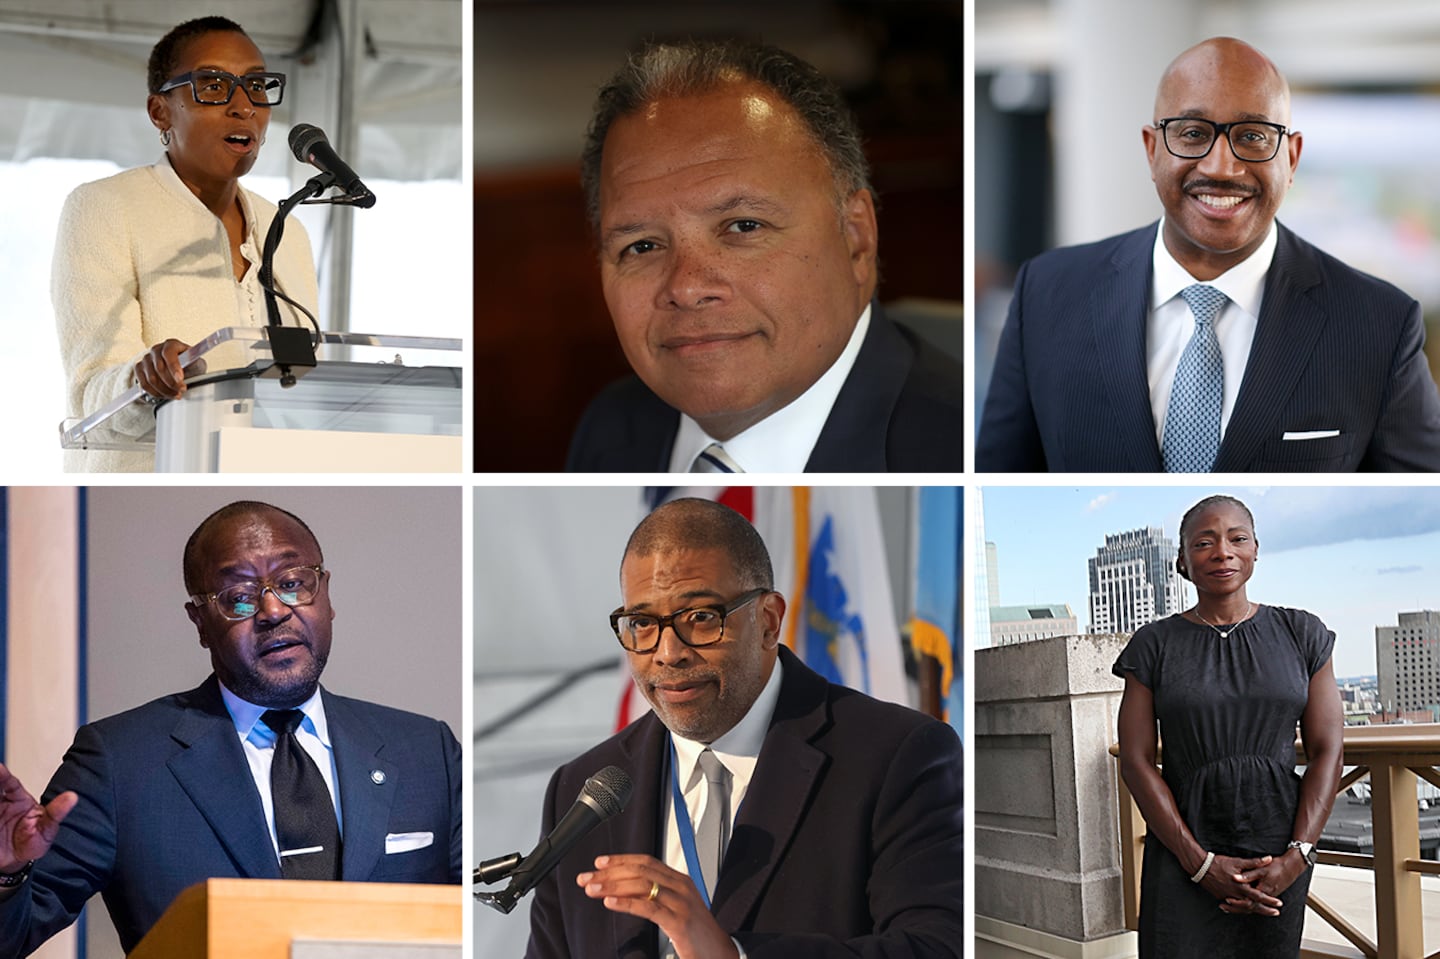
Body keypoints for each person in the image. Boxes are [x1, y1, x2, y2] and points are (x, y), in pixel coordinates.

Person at [0, 501, 461, 956]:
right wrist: (5, 874)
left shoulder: (426, 751)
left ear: (326, 594)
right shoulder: (120, 762)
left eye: (293, 583)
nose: (273, 610)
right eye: (239, 596)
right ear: (200, 622)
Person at [524, 498, 963, 958]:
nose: (668, 652)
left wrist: (734, 955)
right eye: (642, 623)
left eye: (701, 618)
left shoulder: (897, 755)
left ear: (769, 622)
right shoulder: (581, 790)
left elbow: (936, 947)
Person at [977, 37, 1440, 472]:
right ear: (1152, 149)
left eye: (1254, 136)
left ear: (1291, 158)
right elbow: (998, 480)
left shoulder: (1379, 324)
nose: (1222, 166)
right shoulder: (1047, 292)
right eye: (1194, 133)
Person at [564, 40, 963, 473]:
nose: (687, 287)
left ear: (856, 240)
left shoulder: (965, 452)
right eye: (641, 246)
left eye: (743, 226)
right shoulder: (611, 429)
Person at [54, 16, 318, 472]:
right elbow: (88, 398)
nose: (243, 106)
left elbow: (308, 390)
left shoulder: (287, 230)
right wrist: (143, 378)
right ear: (160, 112)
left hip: (264, 476)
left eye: (257, 86)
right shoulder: (103, 207)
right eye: (213, 86)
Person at [1113, 495, 1343, 958]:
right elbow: (1136, 760)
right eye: (1204, 542)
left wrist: (1297, 854)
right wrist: (1199, 864)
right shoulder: (1153, 644)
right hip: (1184, 845)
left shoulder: (1302, 633)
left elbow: (1328, 751)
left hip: (1278, 851)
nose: (1223, 552)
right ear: (1182, 559)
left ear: (1256, 548)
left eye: (1237, 538)